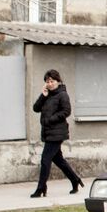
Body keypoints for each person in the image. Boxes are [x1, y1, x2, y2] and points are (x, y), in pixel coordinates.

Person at [31, 69, 82, 197]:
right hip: (48, 132)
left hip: (57, 132)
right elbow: (35, 108)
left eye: (52, 81)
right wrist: (43, 95)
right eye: (47, 81)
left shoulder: (62, 95)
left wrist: (50, 119)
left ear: (58, 81)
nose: (50, 83)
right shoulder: (47, 95)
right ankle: (75, 180)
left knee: (45, 159)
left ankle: (41, 188)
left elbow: (66, 111)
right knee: (58, 160)